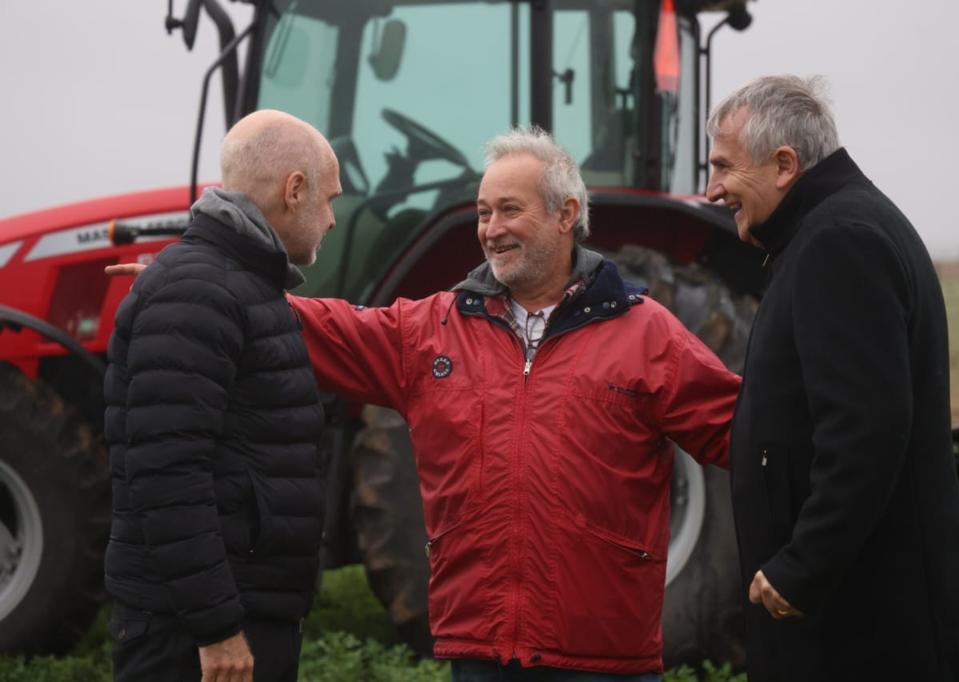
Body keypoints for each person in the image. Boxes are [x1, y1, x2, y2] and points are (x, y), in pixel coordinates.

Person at [289, 127, 741, 680]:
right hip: (484, 654)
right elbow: (319, 328)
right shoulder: (434, 330)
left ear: (565, 213)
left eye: (509, 210)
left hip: (604, 659)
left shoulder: (646, 334)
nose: (490, 230)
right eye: (483, 212)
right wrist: (201, 287)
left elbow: (749, 437)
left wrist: (810, 550)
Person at [705, 75, 959, 681]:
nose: (713, 190)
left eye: (725, 167)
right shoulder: (827, 233)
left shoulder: (839, 241)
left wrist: (802, 567)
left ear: (784, 164)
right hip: (853, 618)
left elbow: (866, 430)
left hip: (866, 629)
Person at [104, 109, 342, 682]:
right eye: (330, 199)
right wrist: (217, 629)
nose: (332, 219)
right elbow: (167, 475)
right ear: (294, 189)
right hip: (196, 635)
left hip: (242, 608)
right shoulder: (201, 291)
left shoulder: (233, 287)